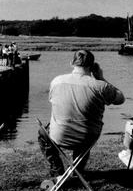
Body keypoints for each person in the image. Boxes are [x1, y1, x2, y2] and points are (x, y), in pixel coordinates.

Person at [38, 50, 125, 178]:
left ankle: (57, 170)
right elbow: (121, 98)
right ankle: (77, 170)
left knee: (43, 133)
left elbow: (52, 101)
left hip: (59, 136)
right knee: (85, 124)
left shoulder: (57, 81)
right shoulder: (100, 86)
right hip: (87, 138)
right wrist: (101, 78)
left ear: (71, 63)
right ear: (93, 66)